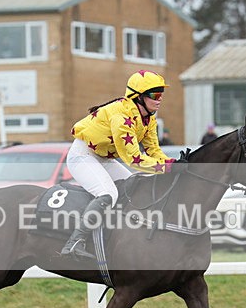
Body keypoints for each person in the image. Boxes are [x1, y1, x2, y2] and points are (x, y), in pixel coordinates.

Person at [61, 70, 177, 259]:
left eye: (161, 94)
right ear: (138, 97)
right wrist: (166, 168)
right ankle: (75, 242)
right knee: (108, 193)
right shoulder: (122, 118)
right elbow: (134, 159)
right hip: (82, 156)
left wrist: (173, 163)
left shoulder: (149, 118)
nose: (160, 99)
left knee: (134, 186)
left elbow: (154, 151)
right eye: (155, 94)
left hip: (104, 158)